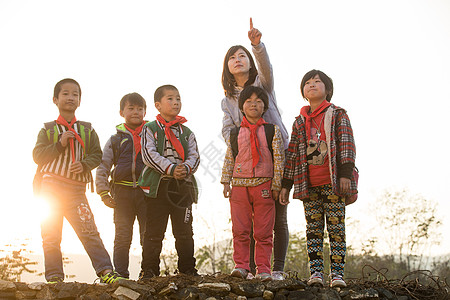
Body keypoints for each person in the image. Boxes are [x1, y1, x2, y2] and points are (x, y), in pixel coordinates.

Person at [32, 78, 123, 284]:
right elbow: (37, 155)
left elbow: (96, 154)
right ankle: (54, 276)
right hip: (50, 189)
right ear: (55, 99)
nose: (70, 97)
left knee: (89, 230)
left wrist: (83, 165)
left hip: (76, 190)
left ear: (80, 101)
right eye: (65, 94)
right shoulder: (47, 129)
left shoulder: (87, 130)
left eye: (75, 94)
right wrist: (59, 144)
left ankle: (106, 271)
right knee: (51, 234)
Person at [221, 18, 289, 280]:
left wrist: (256, 45)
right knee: (245, 219)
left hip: (276, 154)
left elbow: (266, 68)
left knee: (276, 216)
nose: (237, 59)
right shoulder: (227, 99)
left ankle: (276, 269)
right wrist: (241, 139)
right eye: (232, 57)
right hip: (245, 165)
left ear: (249, 61)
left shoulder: (263, 85)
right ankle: (248, 268)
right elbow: (227, 129)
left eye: (242, 55)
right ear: (227, 66)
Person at [280, 70, 357, 288]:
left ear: (327, 89)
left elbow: (346, 144)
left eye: (317, 82)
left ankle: (337, 275)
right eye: (308, 83)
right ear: (303, 91)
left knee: (336, 229)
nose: (312, 85)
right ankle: (316, 273)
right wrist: (287, 184)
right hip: (308, 184)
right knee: (313, 230)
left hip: (333, 182)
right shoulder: (299, 121)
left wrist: (345, 175)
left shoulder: (338, 114)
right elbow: (292, 154)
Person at [221, 86, 285, 282]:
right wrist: (225, 181)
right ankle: (241, 266)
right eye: (249, 101)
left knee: (264, 231)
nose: (253, 104)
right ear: (241, 107)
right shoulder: (234, 133)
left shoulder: (271, 130)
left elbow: (279, 158)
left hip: (264, 185)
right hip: (239, 186)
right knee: (240, 229)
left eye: (258, 101)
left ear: (265, 106)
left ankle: (263, 269)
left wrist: (276, 185)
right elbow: (230, 157)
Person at [138, 84, 200, 280]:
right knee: (154, 231)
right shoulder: (150, 129)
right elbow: (149, 154)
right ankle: (149, 270)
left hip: (182, 186)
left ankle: (187, 269)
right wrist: (172, 169)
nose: (176, 102)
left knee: (184, 230)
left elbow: (195, 156)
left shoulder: (187, 131)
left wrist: (185, 169)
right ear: (158, 105)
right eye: (170, 99)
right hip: (158, 186)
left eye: (178, 99)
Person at [95, 92, 148, 279]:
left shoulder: (152, 135)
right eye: (131, 108)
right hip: (122, 193)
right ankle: (121, 274)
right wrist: (103, 192)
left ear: (145, 111)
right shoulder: (116, 139)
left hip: (147, 193)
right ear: (121, 112)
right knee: (122, 236)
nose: (136, 112)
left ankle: (149, 272)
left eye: (140, 109)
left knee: (148, 235)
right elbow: (103, 165)